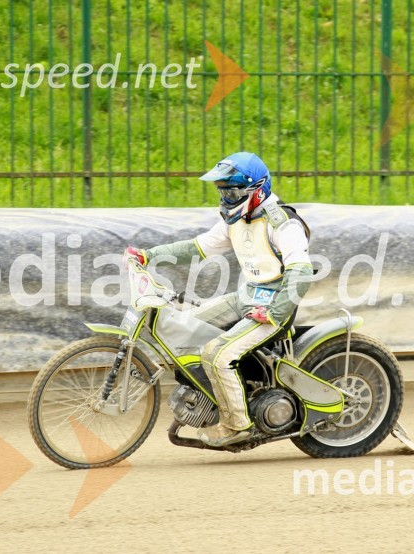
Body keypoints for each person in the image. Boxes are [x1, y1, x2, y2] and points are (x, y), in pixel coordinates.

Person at [123, 152, 314, 447]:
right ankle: (212, 399)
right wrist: (150, 255)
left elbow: (300, 273)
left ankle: (237, 425)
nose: (227, 196)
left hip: (272, 307)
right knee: (187, 331)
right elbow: (198, 247)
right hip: (247, 297)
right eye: (223, 190)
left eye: (233, 190)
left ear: (258, 189)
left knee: (217, 353)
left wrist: (275, 312)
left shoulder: (283, 223)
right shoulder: (235, 220)